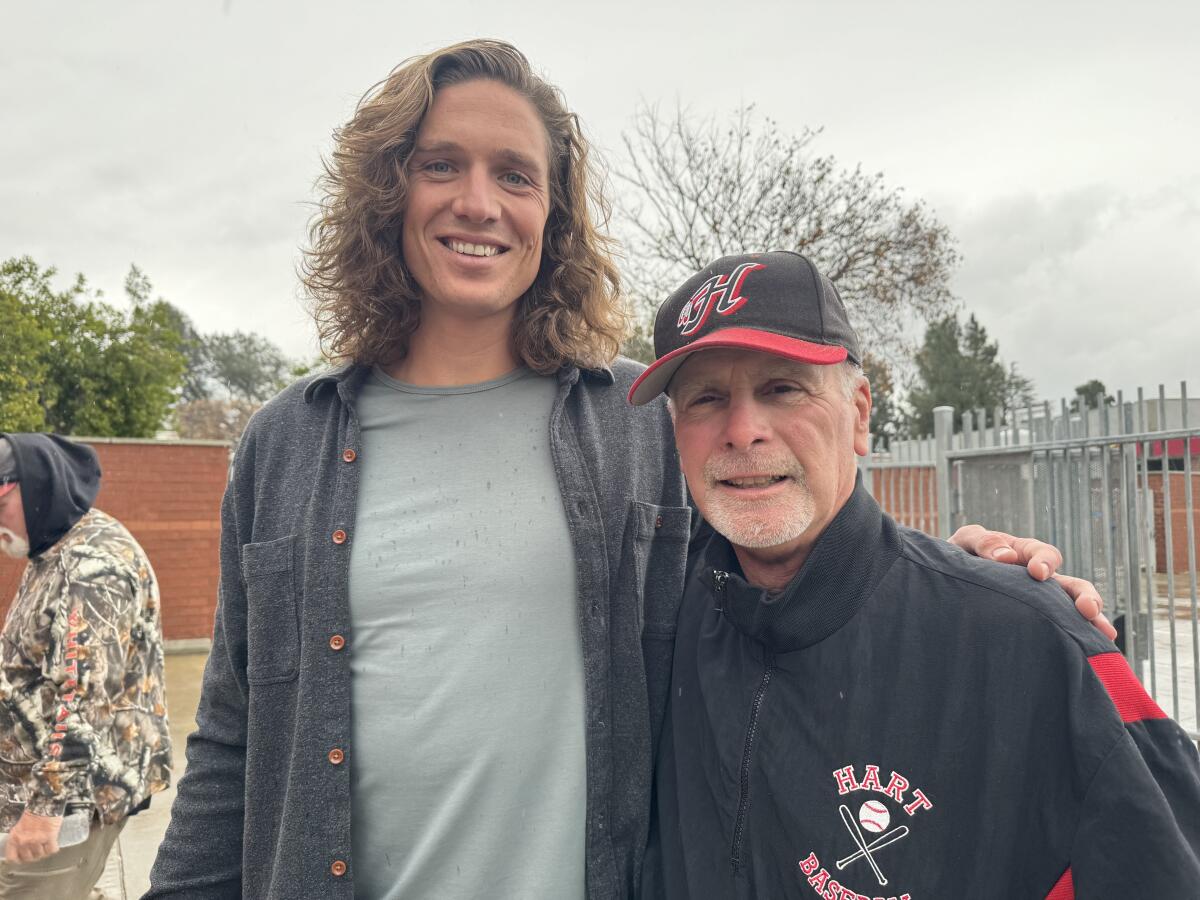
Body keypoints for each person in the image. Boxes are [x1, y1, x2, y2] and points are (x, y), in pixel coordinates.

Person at [146, 40, 1108, 900]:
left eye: (516, 175)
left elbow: (783, 555)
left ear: (552, 214)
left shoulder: (639, 416)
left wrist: (972, 583)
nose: (478, 202)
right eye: (442, 164)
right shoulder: (284, 444)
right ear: (388, 192)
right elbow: (232, 738)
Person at [630, 251, 1200, 899]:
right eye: (707, 399)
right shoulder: (661, 614)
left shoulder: (1033, 647)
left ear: (862, 414)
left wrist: (984, 597)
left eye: (782, 387)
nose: (742, 431)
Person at [0, 434, 172, 899]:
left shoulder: (91, 568)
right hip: (36, 788)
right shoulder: (53, 545)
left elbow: (84, 702)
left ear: (33, 488)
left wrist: (43, 811)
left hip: (69, 804)